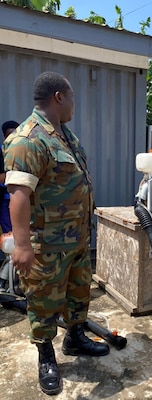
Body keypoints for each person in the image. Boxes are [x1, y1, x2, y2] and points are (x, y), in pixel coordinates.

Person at [2, 71, 109, 396]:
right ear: (59, 97)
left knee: (79, 292)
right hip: (46, 242)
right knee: (44, 302)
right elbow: (18, 194)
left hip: (76, 238)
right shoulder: (28, 139)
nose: (74, 104)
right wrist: (21, 244)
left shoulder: (64, 136)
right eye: (72, 97)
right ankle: (46, 355)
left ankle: (75, 338)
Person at [0, 120, 19, 235]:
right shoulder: (1, 152)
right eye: (9, 134)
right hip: (4, 198)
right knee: (9, 232)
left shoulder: (24, 150)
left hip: (20, 196)